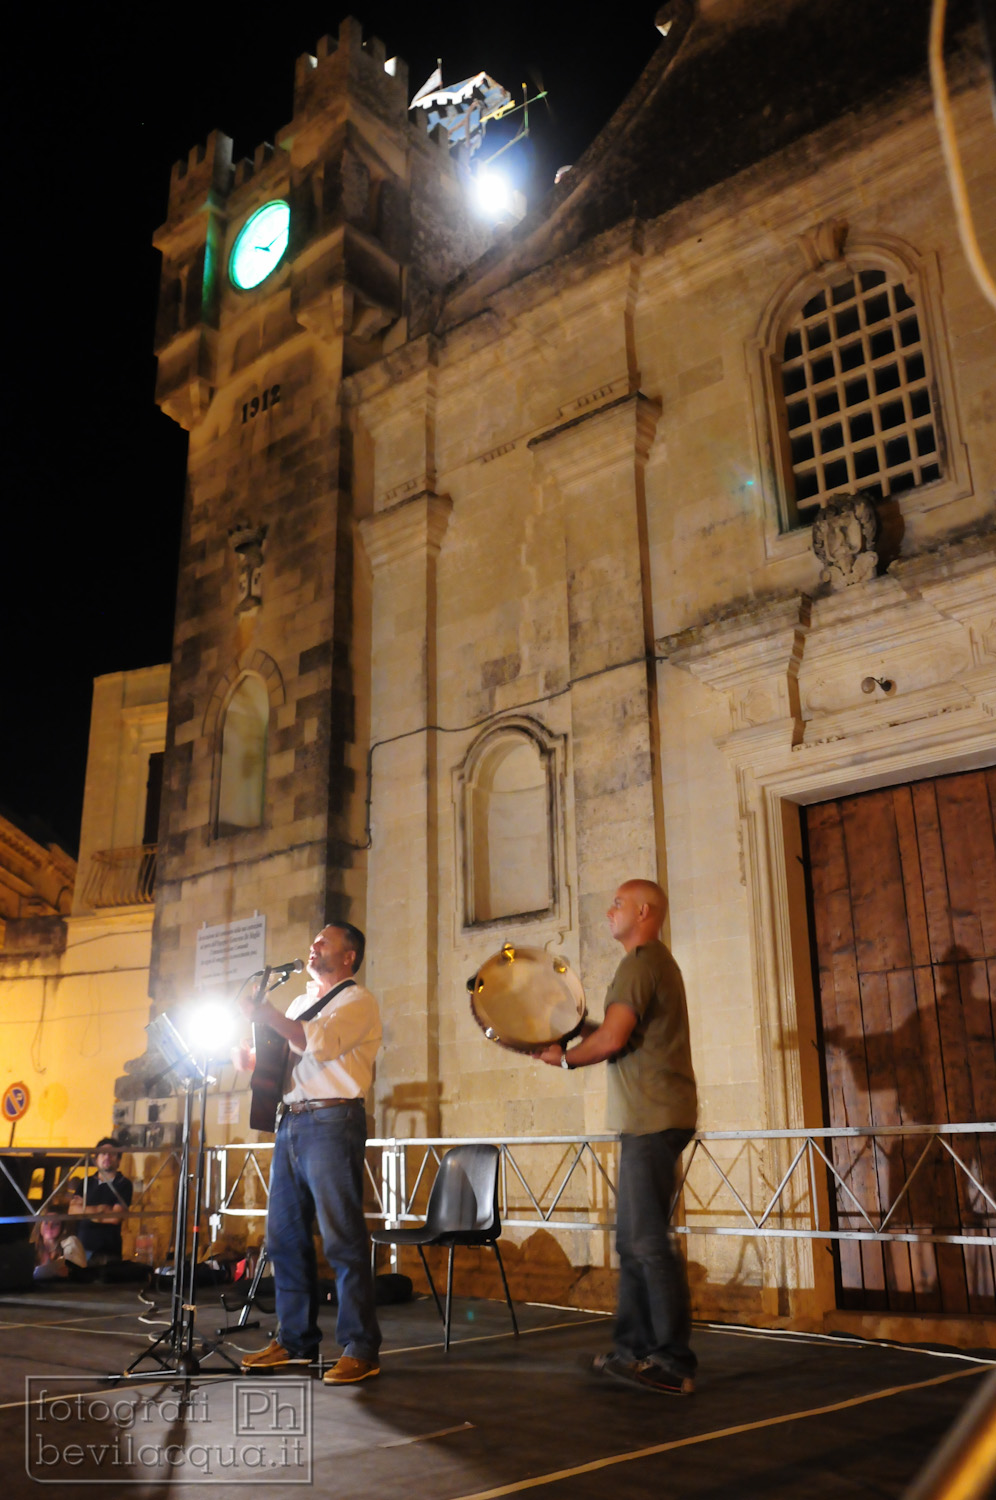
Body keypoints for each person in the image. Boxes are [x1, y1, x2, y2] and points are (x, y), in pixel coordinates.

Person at [535, 878, 698, 1395]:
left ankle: (672, 1361)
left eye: (618, 904)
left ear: (644, 911)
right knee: (632, 1242)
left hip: (652, 1118)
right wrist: (572, 1030)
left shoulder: (640, 964)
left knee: (646, 1243)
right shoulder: (651, 964)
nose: (609, 911)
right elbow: (616, 1032)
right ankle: (633, 1350)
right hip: (649, 1118)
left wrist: (563, 1058)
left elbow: (613, 1038)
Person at [236, 922, 382, 1386]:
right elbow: (285, 1056)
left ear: (349, 956)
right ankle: (296, 1341)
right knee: (283, 1237)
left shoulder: (357, 1000)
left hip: (332, 1120)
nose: (313, 946)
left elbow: (318, 1043)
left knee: (341, 1237)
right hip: (292, 1121)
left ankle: (360, 1347)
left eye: (324, 942)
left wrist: (268, 1014)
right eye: (313, 940)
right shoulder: (300, 1003)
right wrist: (249, 1057)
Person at [66, 1137, 133, 1264]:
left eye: (112, 1154)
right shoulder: (86, 1182)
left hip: (107, 1253)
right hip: (81, 1250)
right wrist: (100, 1210)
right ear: (96, 1159)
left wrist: (85, 1211)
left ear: (119, 1160)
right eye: (103, 1153)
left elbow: (115, 1218)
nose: (107, 1156)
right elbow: (72, 1211)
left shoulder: (124, 1184)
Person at [31, 1213, 88, 1281]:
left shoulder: (70, 1243)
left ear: (62, 1227)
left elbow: (78, 1274)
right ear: (40, 1225)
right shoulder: (32, 1248)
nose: (50, 1227)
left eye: (56, 1224)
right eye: (46, 1222)